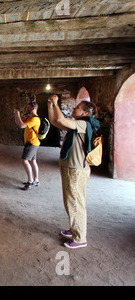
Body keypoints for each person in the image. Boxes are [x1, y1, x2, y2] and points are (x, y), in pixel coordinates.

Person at [47, 95, 99, 249]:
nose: (74, 108)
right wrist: (50, 105)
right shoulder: (77, 124)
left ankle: (80, 238)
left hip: (76, 169)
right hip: (71, 167)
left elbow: (62, 120)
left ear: (84, 113)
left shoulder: (84, 124)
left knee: (75, 203)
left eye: (77, 107)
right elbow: (55, 121)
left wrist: (56, 104)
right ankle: (74, 229)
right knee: (71, 201)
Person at [14, 100, 41, 190]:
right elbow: (19, 123)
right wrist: (16, 115)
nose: (27, 109)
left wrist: (18, 114)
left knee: (24, 160)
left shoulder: (35, 119)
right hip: (33, 142)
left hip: (32, 143)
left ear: (33, 108)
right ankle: (36, 180)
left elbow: (22, 126)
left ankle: (30, 181)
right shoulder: (30, 117)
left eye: (28, 107)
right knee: (33, 161)